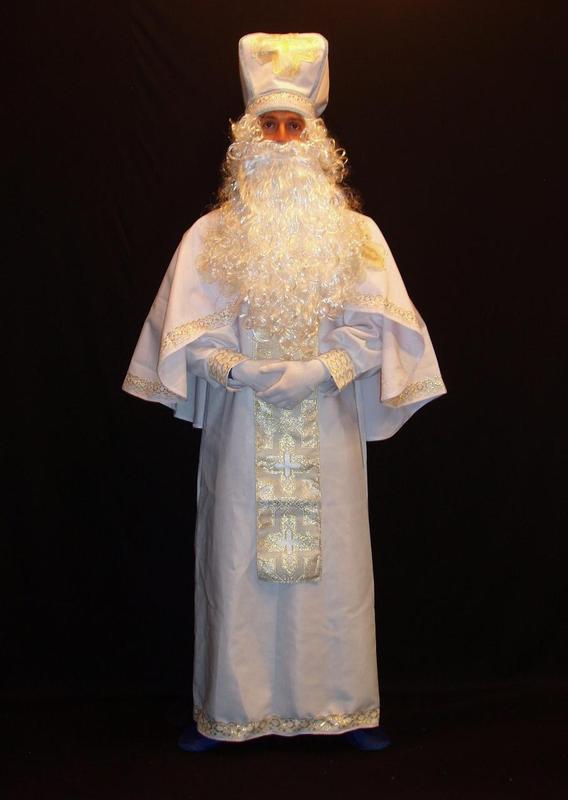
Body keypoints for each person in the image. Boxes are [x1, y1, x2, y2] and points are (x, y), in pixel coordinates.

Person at [123, 32, 446, 751]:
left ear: (314, 140)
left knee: (335, 574)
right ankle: (230, 711)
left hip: (327, 423)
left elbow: (380, 328)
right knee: (234, 562)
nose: (278, 139)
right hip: (240, 423)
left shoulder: (356, 236)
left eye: (291, 126)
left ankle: (342, 707)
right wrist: (236, 369)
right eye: (266, 125)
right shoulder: (210, 236)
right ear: (246, 138)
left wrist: (321, 370)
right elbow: (187, 334)